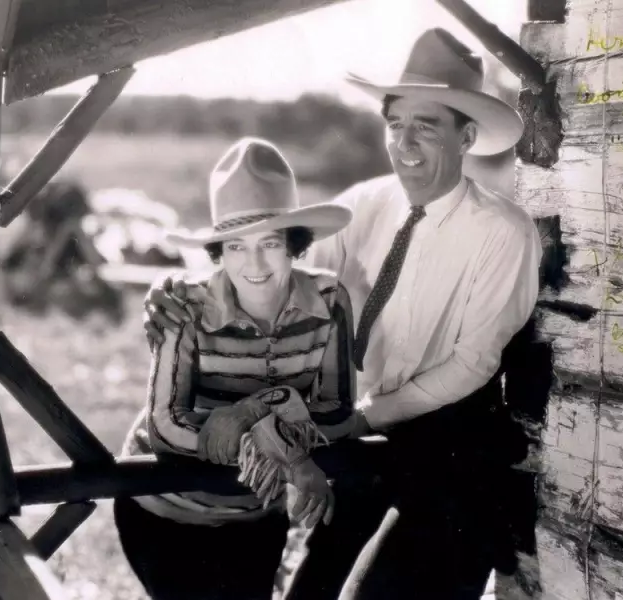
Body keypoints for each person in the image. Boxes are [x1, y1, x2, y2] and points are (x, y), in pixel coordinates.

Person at [143, 29, 543, 599]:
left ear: (467, 136)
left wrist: (366, 414)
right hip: (357, 445)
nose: (405, 144)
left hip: (449, 452)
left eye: (426, 127)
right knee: (310, 592)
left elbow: (473, 363)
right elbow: (279, 282)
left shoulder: (502, 231)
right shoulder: (364, 204)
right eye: (395, 123)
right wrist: (179, 292)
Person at [114, 137, 362, 600]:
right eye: (235, 246)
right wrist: (281, 447)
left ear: (294, 244)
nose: (254, 264)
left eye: (269, 243)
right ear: (219, 251)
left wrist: (250, 414)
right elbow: (166, 427)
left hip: (255, 515)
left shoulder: (330, 301)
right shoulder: (184, 306)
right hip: (164, 511)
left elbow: (339, 412)